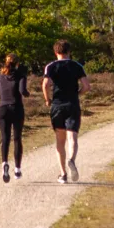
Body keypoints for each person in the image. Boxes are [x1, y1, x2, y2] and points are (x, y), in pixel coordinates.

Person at [42, 39, 90, 184]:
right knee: (72, 137)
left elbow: (45, 84)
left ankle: (63, 174)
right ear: (69, 52)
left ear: (56, 52)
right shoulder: (77, 66)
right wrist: (78, 94)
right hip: (72, 104)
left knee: (60, 140)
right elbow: (87, 86)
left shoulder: (50, 66)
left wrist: (47, 99)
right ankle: (72, 160)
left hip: (57, 105)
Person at [0, 52, 30, 183]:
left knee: (5, 138)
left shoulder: (0, 77)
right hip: (17, 108)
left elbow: (0, 93)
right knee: (17, 138)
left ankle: (4, 163)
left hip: (3, 109)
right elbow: (22, 91)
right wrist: (27, 94)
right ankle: (17, 169)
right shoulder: (21, 75)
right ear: (17, 63)